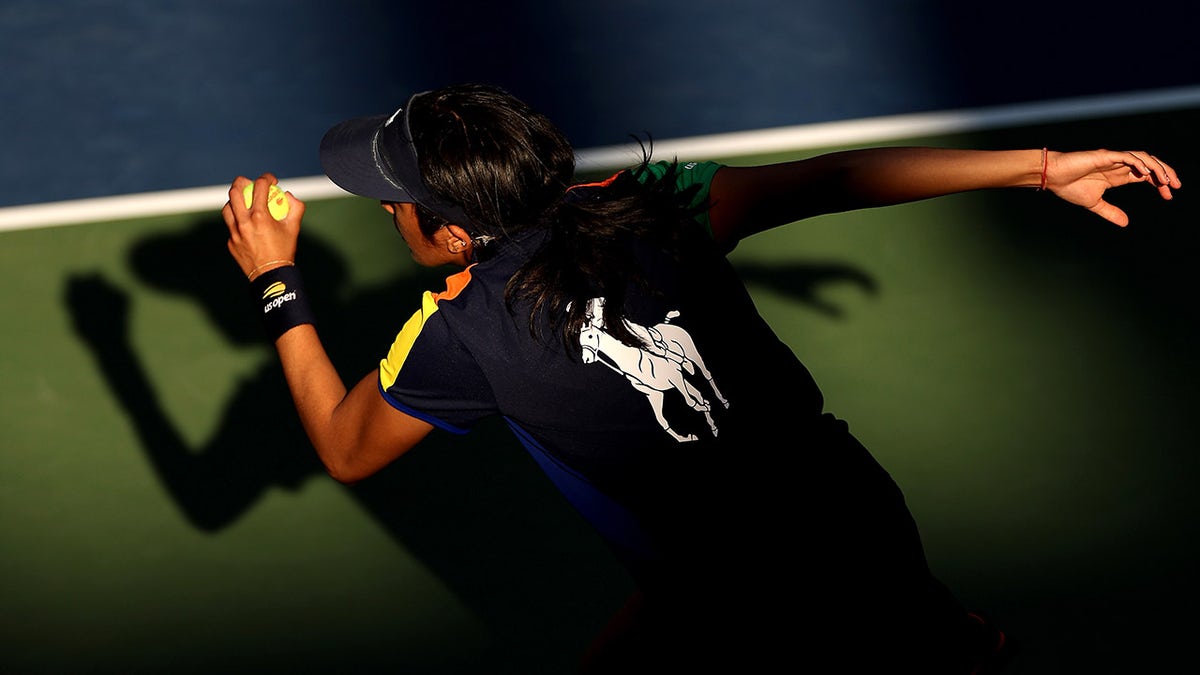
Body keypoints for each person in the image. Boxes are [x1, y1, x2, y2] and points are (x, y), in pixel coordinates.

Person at [222, 83, 1180, 673]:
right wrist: (1042, 167)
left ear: (453, 230)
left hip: (731, 599)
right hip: (850, 513)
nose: (388, 216)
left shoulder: (456, 333)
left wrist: (276, 282)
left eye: (394, 202)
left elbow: (347, 448)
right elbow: (829, 179)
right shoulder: (651, 204)